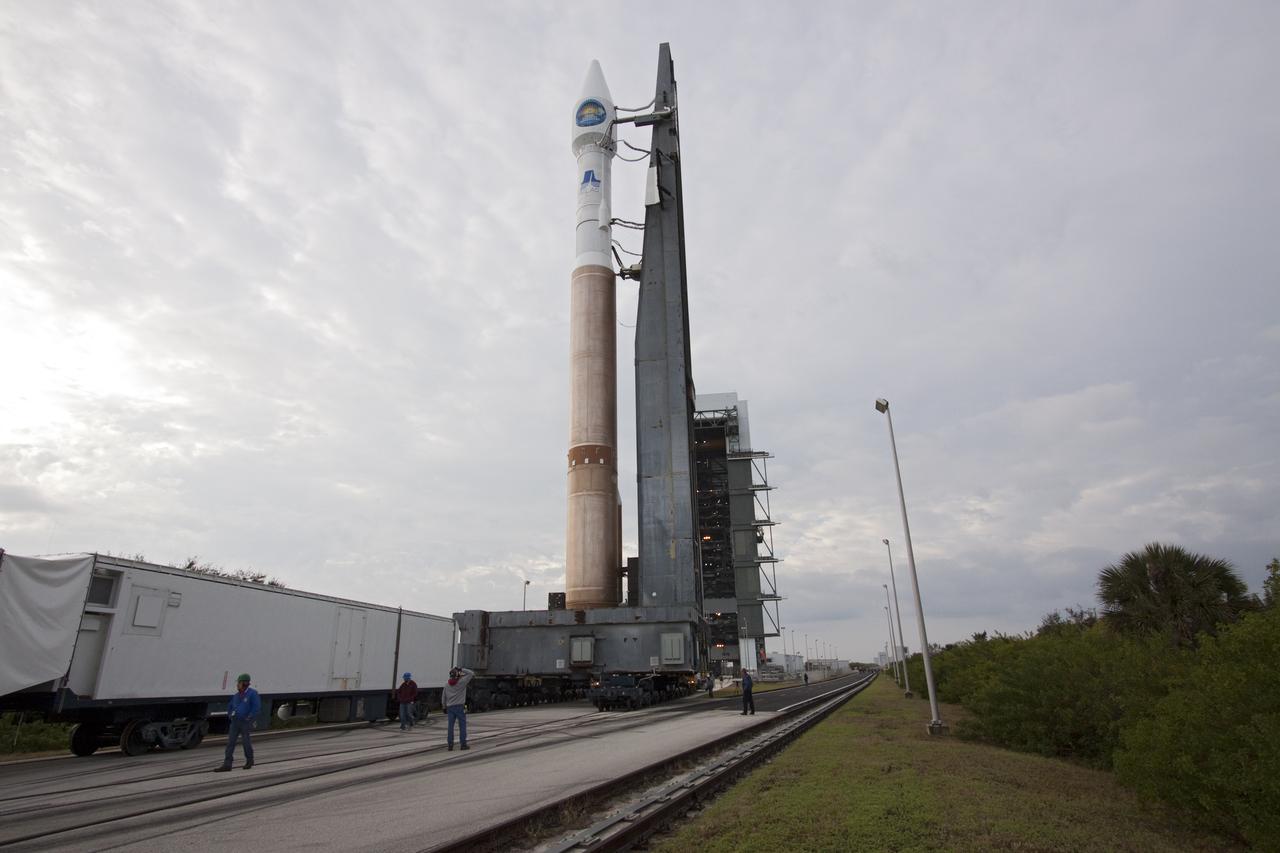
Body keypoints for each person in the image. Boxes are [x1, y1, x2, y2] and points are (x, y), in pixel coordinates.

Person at [215, 673, 260, 771]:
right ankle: (227, 763)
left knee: (245, 741)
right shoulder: (236, 696)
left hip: (245, 721)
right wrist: (230, 715)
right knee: (230, 742)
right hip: (235, 722)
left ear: (245, 683)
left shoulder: (252, 694)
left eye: (239, 682)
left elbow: (256, 707)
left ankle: (249, 760)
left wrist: (250, 717)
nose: (237, 685)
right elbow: (230, 706)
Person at [441, 666, 475, 751]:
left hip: (450, 707)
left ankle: (450, 745)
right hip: (460, 706)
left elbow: (443, 697)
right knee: (462, 725)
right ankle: (463, 744)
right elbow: (471, 673)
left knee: (450, 726)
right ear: (457, 675)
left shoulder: (447, 685)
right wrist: (461, 669)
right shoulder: (462, 682)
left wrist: (444, 706)